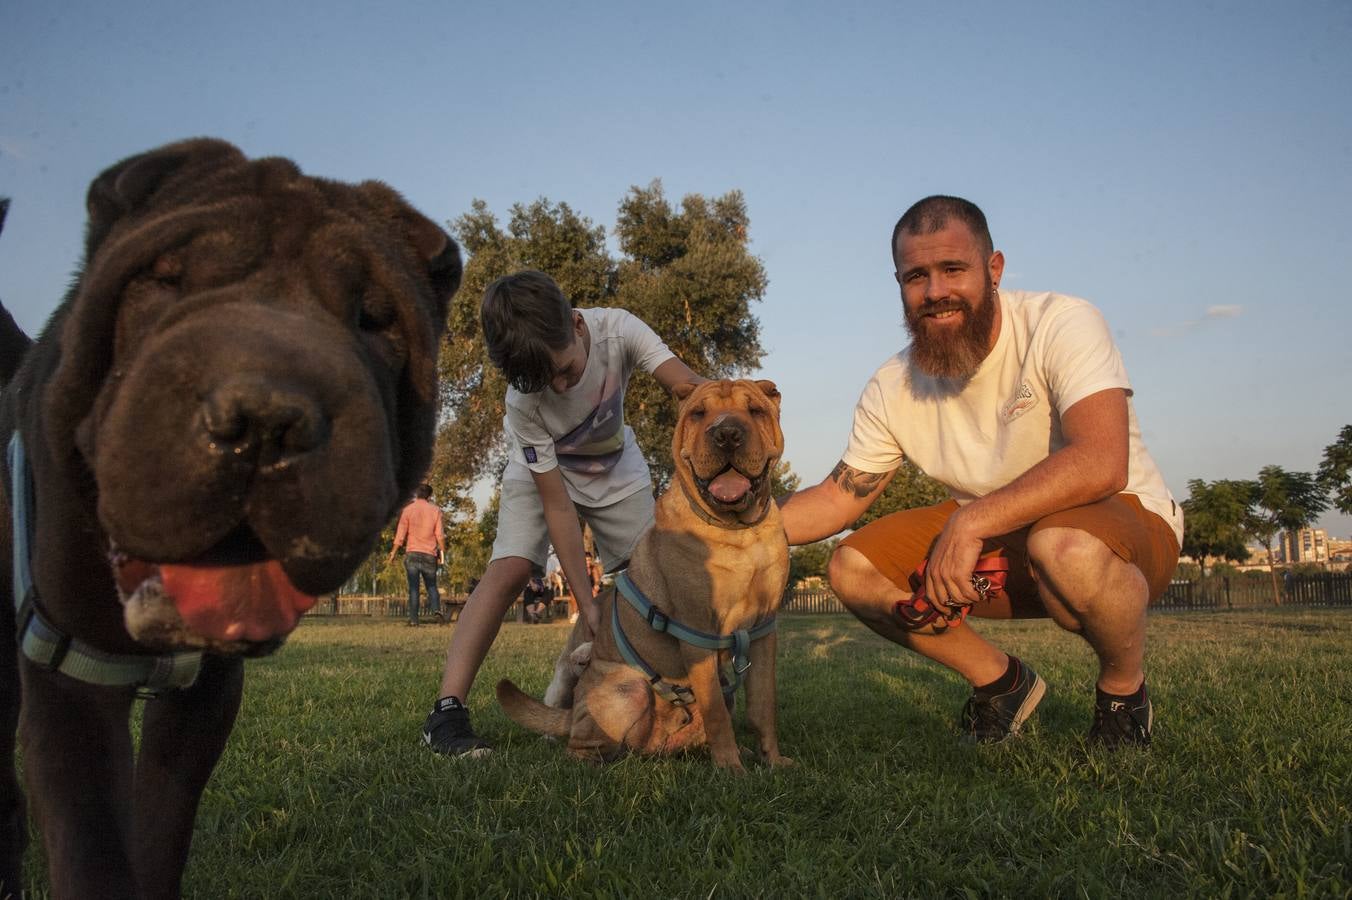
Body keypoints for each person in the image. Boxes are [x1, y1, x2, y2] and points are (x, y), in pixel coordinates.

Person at [779, 196, 1182, 748]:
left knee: (1063, 545)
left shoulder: (1060, 322)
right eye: (916, 276)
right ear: (898, 283)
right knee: (854, 568)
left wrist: (969, 524)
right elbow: (836, 499)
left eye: (953, 270)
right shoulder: (892, 384)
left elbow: (1101, 460)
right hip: (999, 538)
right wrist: (717, 529)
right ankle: (1001, 684)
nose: (935, 292)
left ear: (994, 269)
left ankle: (1121, 692)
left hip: (1120, 528)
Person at [422, 270, 704, 756]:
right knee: (509, 567)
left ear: (576, 325)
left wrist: (730, 411)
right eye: (544, 381)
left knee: (658, 577)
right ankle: (447, 713)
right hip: (541, 475)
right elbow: (557, 506)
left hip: (614, 466)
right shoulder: (522, 404)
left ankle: (688, 699)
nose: (558, 384)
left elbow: (688, 387)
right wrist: (587, 603)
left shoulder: (619, 331)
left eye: (566, 371)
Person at [386, 483, 445, 626]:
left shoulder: (407, 510)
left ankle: (413, 620)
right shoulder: (435, 510)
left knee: (413, 588)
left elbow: (400, 534)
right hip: (429, 554)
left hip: (412, 554)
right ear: (429, 496)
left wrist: (393, 553)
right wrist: (442, 555)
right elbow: (440, 535)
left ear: (415, 494)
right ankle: (436, 610)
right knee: (431, 586)